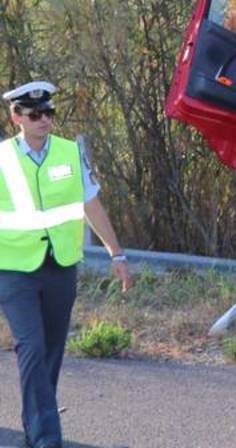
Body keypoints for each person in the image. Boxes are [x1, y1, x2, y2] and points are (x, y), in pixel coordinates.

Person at [0, 81, 132, 448]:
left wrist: (116, 254)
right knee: (31, 346)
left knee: (51, 351)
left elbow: (92, 206)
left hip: (60, 267)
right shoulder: (1, 159)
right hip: (13, 270)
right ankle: (46, 439)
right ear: (16, 117)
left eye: (49, 113)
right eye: (35, 114)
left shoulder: (70, 153)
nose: (44, 120)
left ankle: (35, 425)